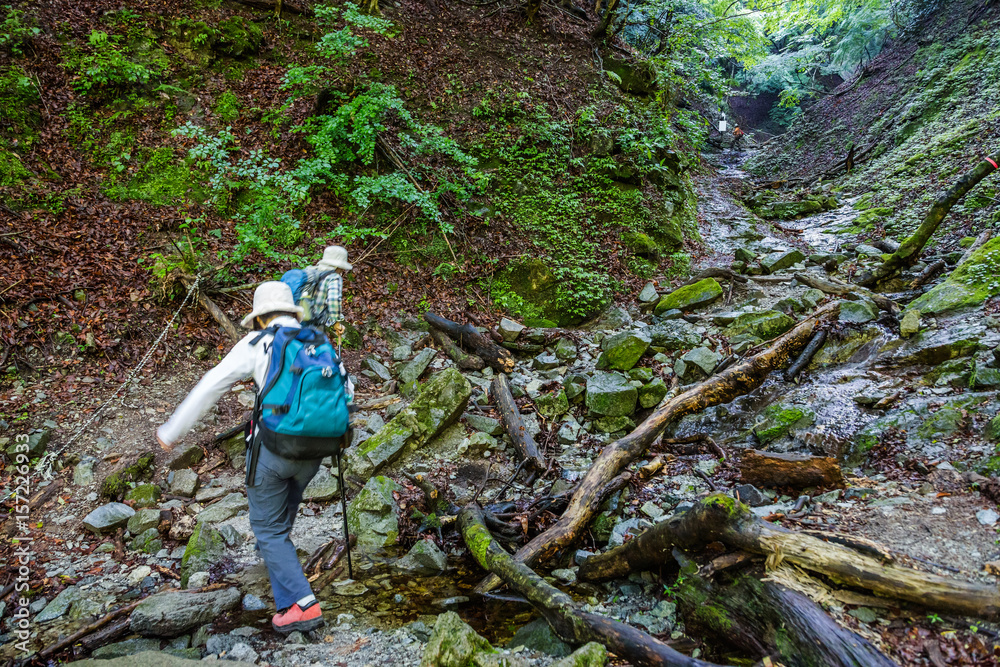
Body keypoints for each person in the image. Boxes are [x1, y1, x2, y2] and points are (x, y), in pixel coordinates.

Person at [156, 281, 350, 634]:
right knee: (279, 527)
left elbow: (211, 384)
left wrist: (172, 431)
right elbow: (346, 390)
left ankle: (304, 604)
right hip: (316, 452)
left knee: (267, 531)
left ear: (261, 317)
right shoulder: (319, 342)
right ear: (291, 312)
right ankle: (286, 602)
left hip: (274, 450)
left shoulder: (259, 341)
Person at [299, 245, 352, 342]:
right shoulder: (334, 277)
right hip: (315, 323)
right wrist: (336, 322)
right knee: (317, 352)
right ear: (338, 265)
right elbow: (333, 301)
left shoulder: (309, 271)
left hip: (298, 319)